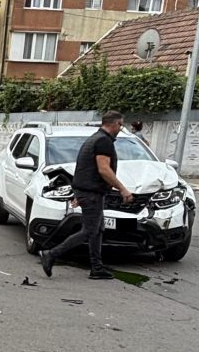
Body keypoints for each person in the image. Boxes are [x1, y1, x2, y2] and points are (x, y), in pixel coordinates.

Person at [38, 111, 134, 280]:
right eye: (120, 124)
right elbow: (103, 169)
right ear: (113, 124)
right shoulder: (103, 141)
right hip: (92, 194)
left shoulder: (95, 139)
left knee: (97, 230)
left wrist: (78, 192)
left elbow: (84, 168)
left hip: (88, 192)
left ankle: (96, 267)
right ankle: (51, 254)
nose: (121, 128)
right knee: (89, 230)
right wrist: (122, 189)